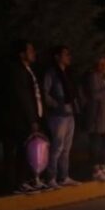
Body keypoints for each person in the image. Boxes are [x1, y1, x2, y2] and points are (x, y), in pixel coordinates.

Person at [1, 40, 44, 193]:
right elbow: (22, 96)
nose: (33, 53)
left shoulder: (28, 70)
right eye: (30, 51)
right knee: (17, 152)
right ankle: (15, 184)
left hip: (27, 118)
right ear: (22, 54)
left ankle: (23, 180)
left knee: (24, 151)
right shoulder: (17, 70)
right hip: (17, 119)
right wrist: (31, 119)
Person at [42, 45, 78, 187]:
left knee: (66, 148)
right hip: (58, 116)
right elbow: (45, 92)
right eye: (65, 54)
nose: (68, 57)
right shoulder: (51, 73)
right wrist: (56, 104)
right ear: (57, 57)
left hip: (69, 114)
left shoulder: (67, 73)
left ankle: (64, 176)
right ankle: (51, 177)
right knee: (57, 147)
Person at [83, 54, 105, 181]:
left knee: (104, 144)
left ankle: (103, 167)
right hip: (96, 116)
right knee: (95, 144)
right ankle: (95, 169)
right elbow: (94, 95)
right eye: (101, 64)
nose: (104, 67)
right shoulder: (93, 76)